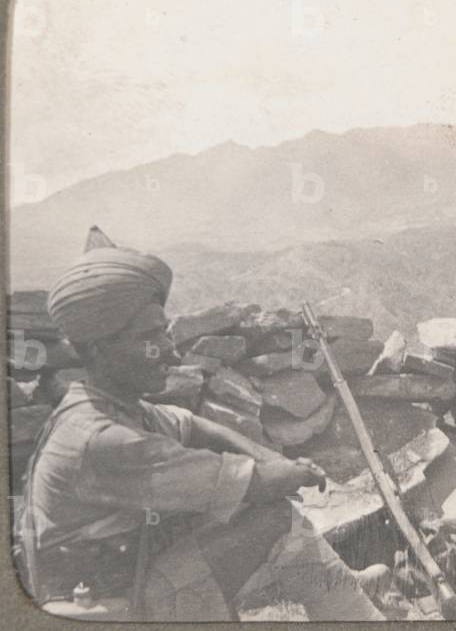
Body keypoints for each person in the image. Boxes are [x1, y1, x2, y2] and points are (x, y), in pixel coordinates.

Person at [15, 226, 387, 621]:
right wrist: (288, 472)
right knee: (274, 517)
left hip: (123, 575)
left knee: (252, 514)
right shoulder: (100, 439)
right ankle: (348, 603)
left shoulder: (108, 406)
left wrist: (262, 453)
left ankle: (339, 589)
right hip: (102, 606)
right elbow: (259, 484)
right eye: (150, 337)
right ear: (98, 349)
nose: (170, 352)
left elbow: (191, 425)